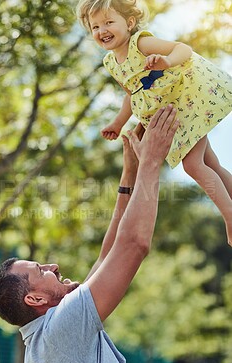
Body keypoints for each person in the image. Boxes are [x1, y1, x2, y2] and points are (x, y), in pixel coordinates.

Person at [0, 105, 179, 363]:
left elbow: (107, 256)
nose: (52, 266)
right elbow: (133, 246)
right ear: (35, 299)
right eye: (41, 270)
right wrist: (152, 161)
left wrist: (130, 173)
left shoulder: (49, 336)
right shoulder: (61, 330)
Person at [76, 0, 232, 245]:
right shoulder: (110, 63)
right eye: (95, 26)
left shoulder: (140, 43)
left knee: (193, 165)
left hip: (184, 102)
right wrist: (117, 123)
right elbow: (132, 92)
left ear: (128, 23)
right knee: (210, 163)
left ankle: (230, 217)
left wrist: (167, 61)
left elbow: (183, 49)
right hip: (170, 113)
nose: (101, 30)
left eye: (108, 22)